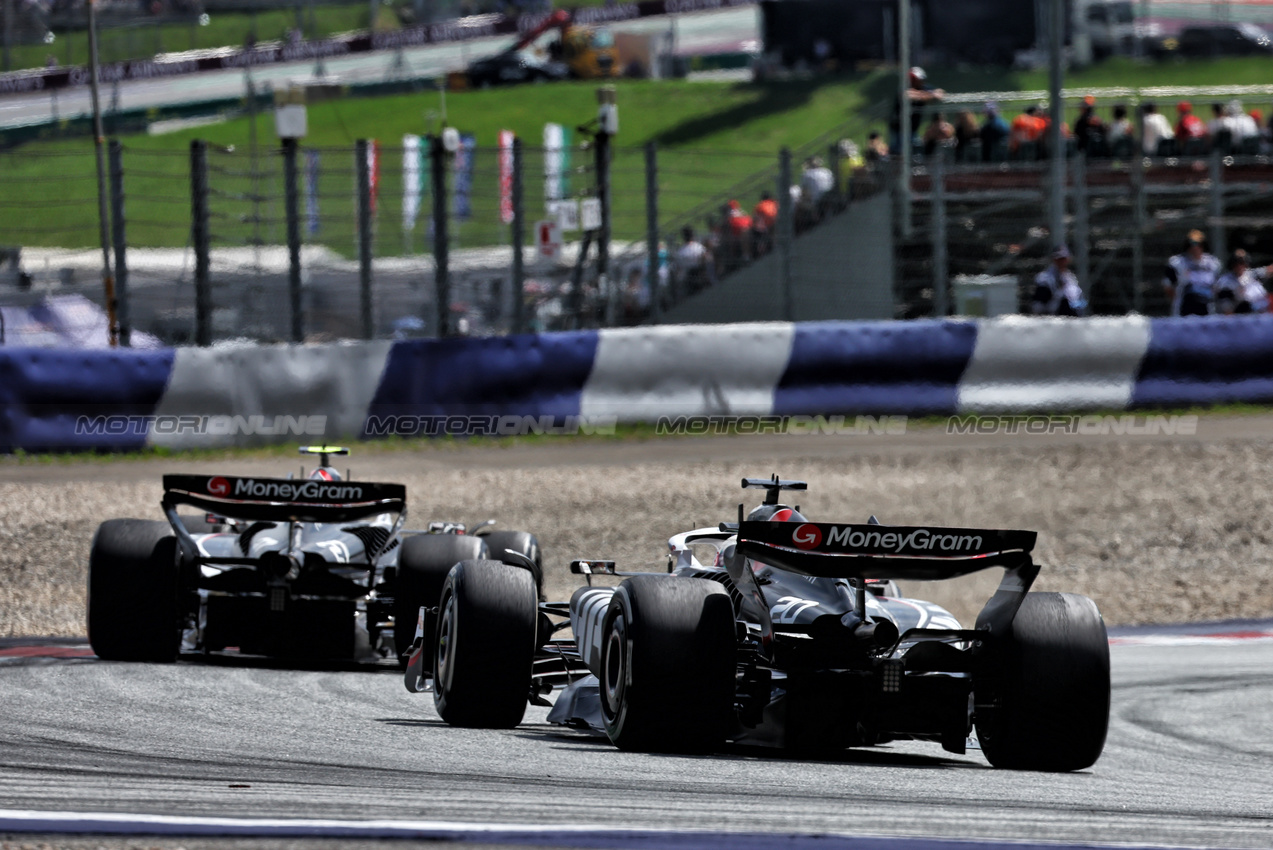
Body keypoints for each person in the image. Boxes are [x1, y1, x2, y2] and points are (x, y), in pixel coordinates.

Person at [1162, 229, 1222, 316]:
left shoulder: (1213, 263)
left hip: (1207, 309)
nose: (1195, 247)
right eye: (1192, 244)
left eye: (1199, 244)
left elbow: (1217, 287)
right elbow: (1168, 287)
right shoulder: (1177, 263)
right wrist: (1177, 300)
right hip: (1183, 309)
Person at [1031, 244, 1086, 316]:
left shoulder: (1071, 278)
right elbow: (1038, 305)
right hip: (1053, 317)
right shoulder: (1044, 278)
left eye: (1064, 258)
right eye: (1059, 258)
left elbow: (1078, 300)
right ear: (1053, 259)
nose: (1061, 261)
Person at [1214, 249, 1273, 314]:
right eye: (1236, 263)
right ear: (1232, 264)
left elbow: (1268, 270)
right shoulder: (1224, 280)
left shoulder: (1251, 274)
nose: (1239, 266)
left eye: (1242, 263)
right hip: (1234, 314)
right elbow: (1219, 296)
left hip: (1255, 312)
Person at [675, 226, 711, 293]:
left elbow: (678, 267)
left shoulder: (681, 251)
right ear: (692, 235)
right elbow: (707, 258)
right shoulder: (698, 247)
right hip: (700, 273)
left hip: (689, 277)